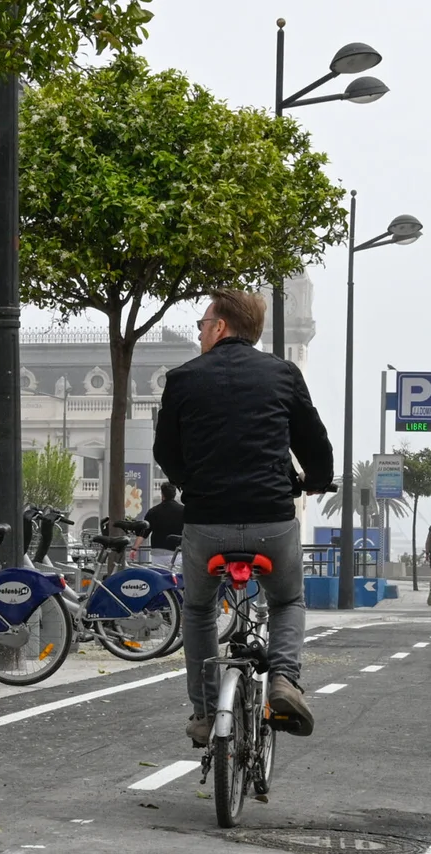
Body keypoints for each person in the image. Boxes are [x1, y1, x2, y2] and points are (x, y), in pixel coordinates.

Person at [153, 289, 335, 745]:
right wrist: (315, 479)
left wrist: (192, 483)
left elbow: (165, 452)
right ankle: (284, 682)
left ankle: (203, 712)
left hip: (207, 520)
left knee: (197, 610)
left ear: (220, 327)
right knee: (287, 601)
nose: (199, 332)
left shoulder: (182, 378)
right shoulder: (282, 374)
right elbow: (314, 442)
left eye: (202, 324)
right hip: (270, 518)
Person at [139, 482, 186, 566]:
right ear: (175, 494)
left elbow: (144, 532)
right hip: (176, 553)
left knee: (158, 575)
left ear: (162, 494)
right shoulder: (183, 511)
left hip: (157, 553)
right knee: (175, 577)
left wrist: (134, 548)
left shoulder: (153, 511)